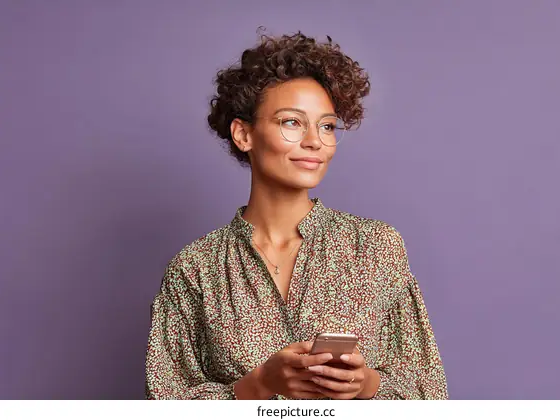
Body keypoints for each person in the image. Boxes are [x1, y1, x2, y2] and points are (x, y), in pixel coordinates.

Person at [145, 29, 448, 400]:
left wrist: (367, 384)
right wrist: (256, 386)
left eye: (327, 126)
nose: (315, 141)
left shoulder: (375, 248)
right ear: (244, 135)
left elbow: (429, 394)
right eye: (292, 122)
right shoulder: (194, 269)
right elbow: (164, 403)